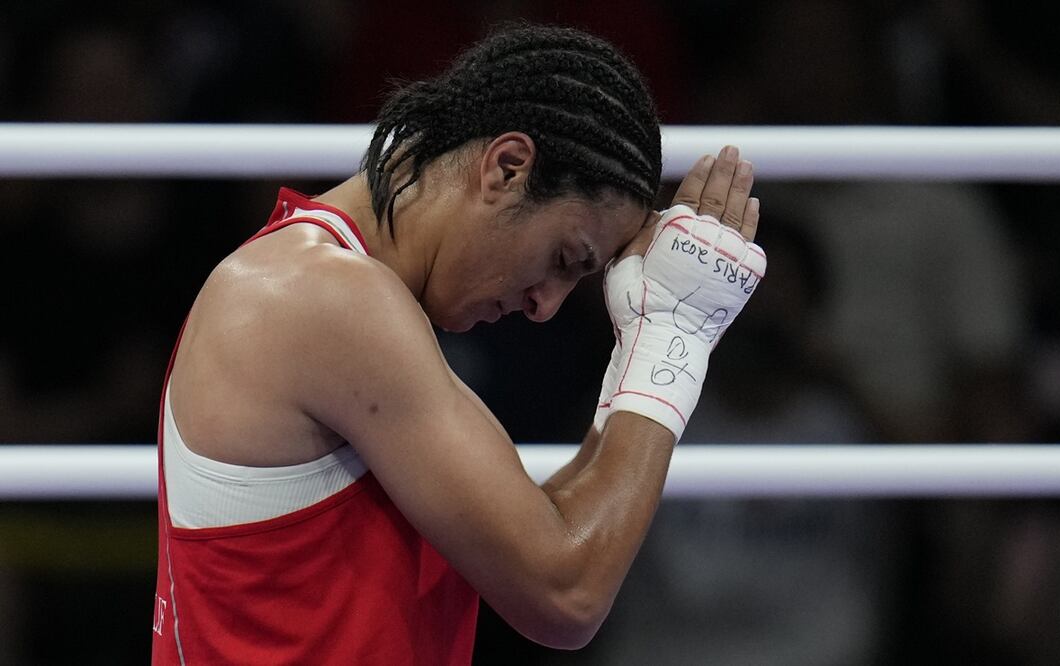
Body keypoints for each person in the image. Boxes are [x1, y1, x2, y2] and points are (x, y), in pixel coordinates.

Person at [151, 24, 765, 664]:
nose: (545, 305)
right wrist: (674, 338)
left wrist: (641, 341)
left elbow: (548, 530)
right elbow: (567, 593)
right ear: (507, 166)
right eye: (563, 258)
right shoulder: (323, 300)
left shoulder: (339, 293)